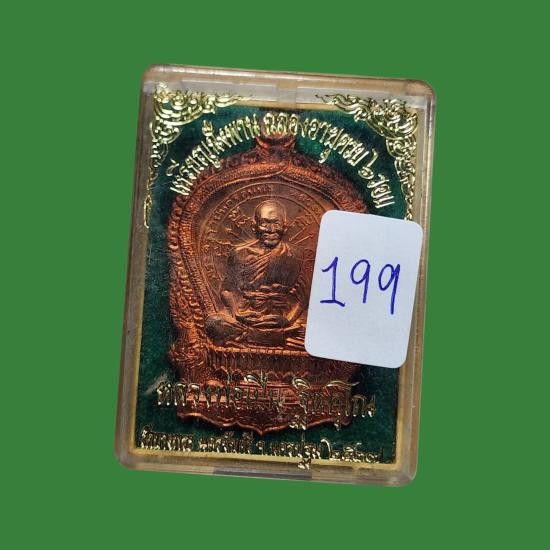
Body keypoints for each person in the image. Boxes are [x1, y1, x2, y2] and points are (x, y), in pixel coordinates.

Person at [205, 200, 307, 347]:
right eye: (265, 223)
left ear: (285, 228)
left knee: (315, 332)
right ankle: (263, 337)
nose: (270, 230)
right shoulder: (239, 253)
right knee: (213, 323)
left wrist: (288, 319)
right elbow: (227, 290)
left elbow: (304, 296)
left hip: (281, 318)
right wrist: (237, 313)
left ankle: (256, 338)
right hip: (246, 317)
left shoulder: (295, 254)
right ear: (254, 227)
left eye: (276, 223)